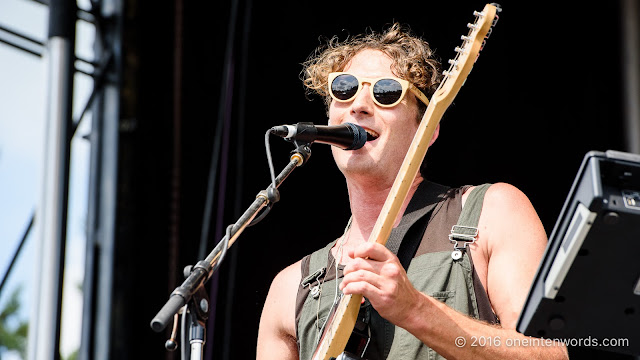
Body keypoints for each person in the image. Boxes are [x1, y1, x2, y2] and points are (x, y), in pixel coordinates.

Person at [256, 23, 568, 360]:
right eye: (344, 89)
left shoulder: (494, 213)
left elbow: (548, 355)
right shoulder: (289, 289)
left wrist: (415, 310)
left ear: (428, 130)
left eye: (385, 92)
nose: (358, 105)